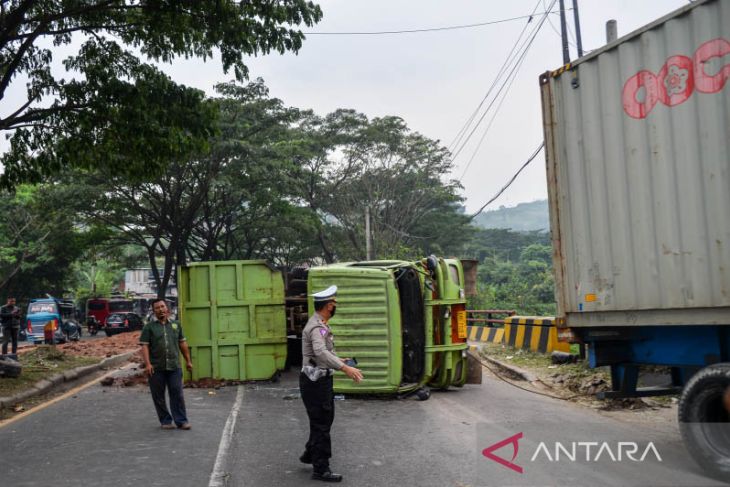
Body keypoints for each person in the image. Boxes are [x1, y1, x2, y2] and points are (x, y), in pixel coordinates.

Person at [299, 285, 363, 482]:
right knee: (322, 424)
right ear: (328, 306)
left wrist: (339, 360)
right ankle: (321, 469)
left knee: (322, 420)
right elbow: (320, 352)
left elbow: (325, 351)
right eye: (334, 304)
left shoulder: (320, 323)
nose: (335, 307)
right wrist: (345, 369)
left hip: (317, 380)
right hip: (316, 382)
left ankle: (311, 453)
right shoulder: (317, 327)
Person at [139, 298, 193, 430]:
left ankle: (181, 421)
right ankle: (165, 421)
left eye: (162, 307)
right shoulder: (149, 328)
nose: (160, 310)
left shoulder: (176, 325)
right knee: (158, 395)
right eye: (157, 308)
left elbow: (182, 343)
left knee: (177, 393)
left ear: (167, 308)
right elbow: (145, 346)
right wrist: (147, 364)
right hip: (156, 367)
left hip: (174, 366)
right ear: (153, 311)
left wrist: (188, 361)